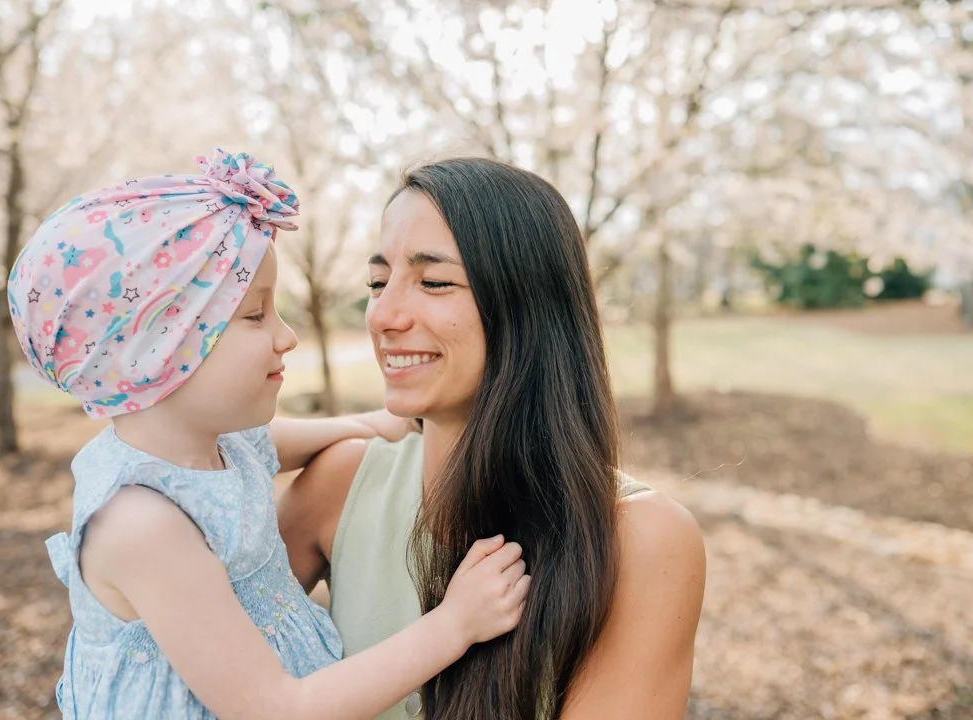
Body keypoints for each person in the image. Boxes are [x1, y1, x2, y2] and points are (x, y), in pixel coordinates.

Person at [6, 149, 531, 720]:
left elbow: (276, 441)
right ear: (159, 352)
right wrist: (454, 625)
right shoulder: (142, 527)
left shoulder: (211, 448)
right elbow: (280, 708)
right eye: (255, 316)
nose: (287, 337)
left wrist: (369, 425)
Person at [279, 157, 707, 720]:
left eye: (434, 282)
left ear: (530, 307)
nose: (382, 315)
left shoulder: (641, 539)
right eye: (378, 283)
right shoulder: (342, 483)